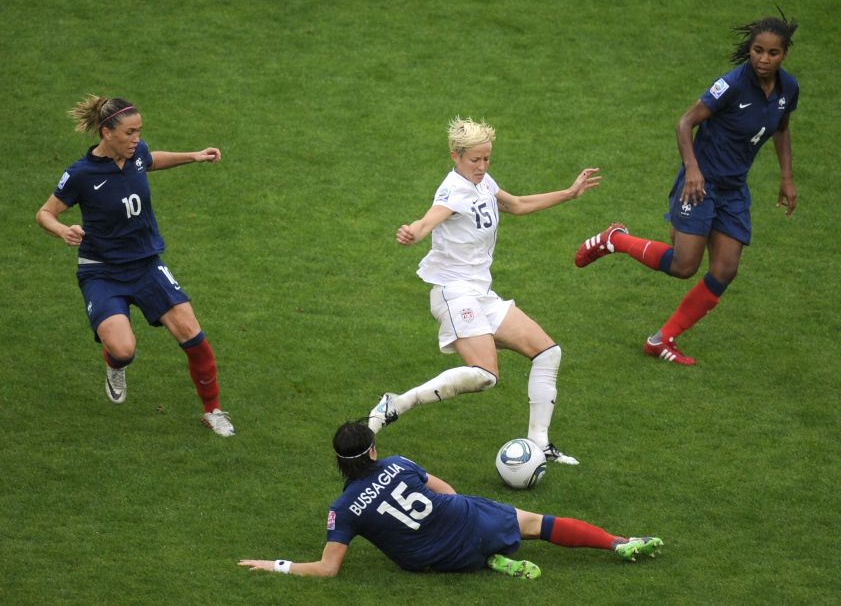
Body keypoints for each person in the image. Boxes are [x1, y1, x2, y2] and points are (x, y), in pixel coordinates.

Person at [367, 117, 601, 465]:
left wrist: (569, 193)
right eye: (475, 159)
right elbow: (429, 219)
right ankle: (397, 403)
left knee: (548, 352)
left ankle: (540, 445)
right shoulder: (452, 190)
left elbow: (517, 204)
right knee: (485, 375)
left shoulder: (482, 182)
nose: (482, 166)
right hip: (454, 293)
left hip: (479, 294)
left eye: (487, 158)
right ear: (455, 156)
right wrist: (413, 233)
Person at [574, 10, 799, 365]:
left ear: (784, 54)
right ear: (750, 49)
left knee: (725, 269)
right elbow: (685, 122)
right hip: (700, 183)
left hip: (734, 189)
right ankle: (615, 239)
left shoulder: (788, 89)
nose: (763, 59)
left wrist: (786, 176)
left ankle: (661, 340)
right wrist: (692, 169)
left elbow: (782, 129)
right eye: (757, 50)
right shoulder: (731, 85)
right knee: (683, 266)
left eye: (772, 53)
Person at [36, 95, 235, 436]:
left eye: (139, 131)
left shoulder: (135, 154)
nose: (136, 139)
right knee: (124, 349)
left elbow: (151, 160)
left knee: (192, 333)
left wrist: (194, 156)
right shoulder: (81, 174)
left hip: (145, 265)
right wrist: (62, 230)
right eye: (129, 132)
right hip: (102, 272)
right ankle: (115, 365)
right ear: (106, 132)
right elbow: (45, 213)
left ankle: (212, 410)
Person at [238, 421, 663, 578]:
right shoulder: (398, 463)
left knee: (467, 548)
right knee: (539, 524)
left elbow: (328, 569)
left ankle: (490, 561)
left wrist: (274, 565)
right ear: (371, 451)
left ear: (339, 462)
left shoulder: (342, 510)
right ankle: (616, 541)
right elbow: (448, 492)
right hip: (464, 519)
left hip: (431, 561)